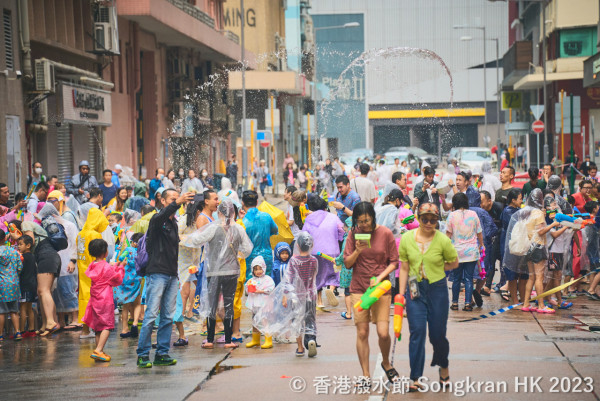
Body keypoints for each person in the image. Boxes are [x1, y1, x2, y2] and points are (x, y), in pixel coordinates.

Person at [398, 202, 458, 390]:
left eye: (433, 220)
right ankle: (415, 377)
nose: (429, 223)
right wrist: (400, 295)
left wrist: (439, 268)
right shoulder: (407, 239)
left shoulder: (442, 240)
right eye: (425, 219)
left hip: (437, 290)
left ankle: (444, 366)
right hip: (415, 290)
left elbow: (454, 262)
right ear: (418, 218)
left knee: (437, 335)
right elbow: (405, 267)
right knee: (417, 332)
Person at [184, 198, 253, 349]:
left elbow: (196, 240)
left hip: (214, 271)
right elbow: (247, 249)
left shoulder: (213, 228)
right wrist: (237, 255)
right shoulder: (238, 229)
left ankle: (209, 340)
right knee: (229, 304)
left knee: (212, 305)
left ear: (219, 212)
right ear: (233, 213)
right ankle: (228, 341)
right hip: (232, 271)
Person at [136, 189, 194, 368]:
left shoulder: (174, 223)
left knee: (168, 316)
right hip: (156, 273)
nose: (176, 202)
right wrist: (178, 201)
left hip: (171, 274)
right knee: (151, 315)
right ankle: (143, 354)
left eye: (177, 199)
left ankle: (162, 352)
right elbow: (162, 215)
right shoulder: (156, 220)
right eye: (172, 199)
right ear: (162, 201)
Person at [344, 202, 400, 385]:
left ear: (373, 217)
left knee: (383, 333)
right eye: (360, 222)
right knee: (362, 332)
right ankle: (366, 375)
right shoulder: (353, 234)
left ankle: (385, 362)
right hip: (359, 288)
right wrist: (358, 251)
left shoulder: (385, 233)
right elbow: (347, 263)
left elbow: (394, 262)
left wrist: (380, 277)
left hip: (380, 289)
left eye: (367, 221)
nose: (364, 225)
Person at [503, 188, 556, 313]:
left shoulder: (525, 213)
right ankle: (541, 305)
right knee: (539, 277)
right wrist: (553, 225)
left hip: (529, 247)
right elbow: (541, 231)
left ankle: (526, 303)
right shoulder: (538, 213)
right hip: (538, 247)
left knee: (531, 277)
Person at [82, 239, 124, 362]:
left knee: (98, 326)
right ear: (105, 252)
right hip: (105, 299)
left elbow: (106, 269)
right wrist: (121, 268)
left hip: (94, 299)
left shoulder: (92, 265)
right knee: (107, 326)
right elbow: (117, 279)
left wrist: (115, 265)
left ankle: (99, 350)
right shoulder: (106, 267)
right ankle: (99, 350)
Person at [303, 196, 344, 308]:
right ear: (325, 207)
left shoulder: (309, 219)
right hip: (332, 251)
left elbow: (304, 236)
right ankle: (331, 288)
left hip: (315, 252)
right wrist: (339, 239)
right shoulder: (333, 217)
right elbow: (342, 230)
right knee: (334, 272)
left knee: (317, 276)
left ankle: (319, 302)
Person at [283, 232, 319, 357]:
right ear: (311, 245)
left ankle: (300, 348)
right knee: (310, 319)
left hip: (296, 296)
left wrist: (285, 295)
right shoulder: (314, 261)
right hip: (310, 296)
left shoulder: (293, 260)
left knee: (297, 321)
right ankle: (311, 340)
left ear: (297, 246)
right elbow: (314, 277)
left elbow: (289, 279)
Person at [446, 193, 483, 311]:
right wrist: (481, 245)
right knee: (469, 278)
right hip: (471, 251)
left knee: (456, 278)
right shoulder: (473, 214)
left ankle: (455, 303)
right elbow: (479, 232)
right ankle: (467, 303)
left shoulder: (452, 215)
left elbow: (448, 234)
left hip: (456, 252)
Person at [76, 208, 110, 338]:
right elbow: (100, 255)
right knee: (94, 301)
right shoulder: (95, 235)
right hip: (95, 272)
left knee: (84, 299)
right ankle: (93, 330)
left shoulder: (81, 234)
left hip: (83, 271)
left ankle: (85, 329)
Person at [544, 197, 574, 310]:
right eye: (553, 205)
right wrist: (566, 225)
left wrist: (579, 223)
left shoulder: (559, 218)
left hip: (560, 251)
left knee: (554, 278)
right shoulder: (550, 220)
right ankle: (559, 300)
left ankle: (546, 298)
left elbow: (572, 229)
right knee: (555, 277)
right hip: (553, 252)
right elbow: (554, 234)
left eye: (556, 205)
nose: (556, 207)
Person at [242, 191, 278, 279]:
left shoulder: (242, 222)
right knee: (267, 286)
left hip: (250, 260)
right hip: (266, 258)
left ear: (242, 203)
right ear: (257, 202)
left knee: (251, 287)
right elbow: (275, 230)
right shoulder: (266, 217)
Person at [115, 233, 143, 338]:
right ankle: (135, 323)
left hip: (125, 279)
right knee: (137, 303)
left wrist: (126, 261)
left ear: (132, 242)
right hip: (136, 279)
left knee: (125, 306)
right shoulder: (142, 252)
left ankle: (124, 329)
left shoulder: (128, 250)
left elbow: (121, 258)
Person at [245, 256, 276, 349]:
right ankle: (255, 340)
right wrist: (249, 288)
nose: (258, 271)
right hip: (255, 305)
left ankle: (268, 340)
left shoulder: (268, 279)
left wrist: (261, 291)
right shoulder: (251, 280)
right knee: (254, 322)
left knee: (265, 321)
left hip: (264, 305)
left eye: (260, 269)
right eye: (255, 269)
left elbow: (271, 288)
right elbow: (247, 290)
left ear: (264, 268)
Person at [480, 191, 504, 295]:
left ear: (489, 201)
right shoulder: (482, 211)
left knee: (500, 261)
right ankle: (488, 286)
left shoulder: (499, 208)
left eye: (481, 202)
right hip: (490, 238)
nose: (480, 204)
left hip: (501, 236)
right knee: (490, 260)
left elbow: (505, 224)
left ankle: (501, 285)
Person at [0, 229, 23, 340]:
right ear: (5, 238)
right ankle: (18, 333)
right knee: (14, 310)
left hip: (1, 285)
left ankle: (0, 335)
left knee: (1, 312)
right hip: (13, 283)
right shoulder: (13, 251)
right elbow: (19, 267)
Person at [17, 235, 37, 336]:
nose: (18, 246)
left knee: (22, 308)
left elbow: (20, 270)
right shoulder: (33, 256)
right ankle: (32, 330)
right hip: (32, 285)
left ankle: (21, 331)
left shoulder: (23, 258)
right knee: (30, 308)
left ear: (28, 245)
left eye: (21, 244)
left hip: (24, 286)